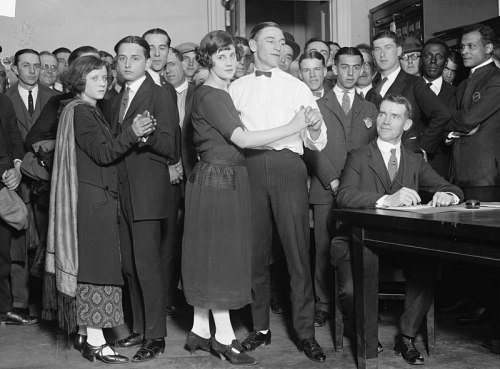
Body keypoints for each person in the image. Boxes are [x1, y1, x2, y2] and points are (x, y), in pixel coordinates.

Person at [182, 29, 313, 366]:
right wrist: (292, 126)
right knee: (222, 257)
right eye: (220, 56)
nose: (229, 62)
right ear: (207, 60)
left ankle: (199, 328)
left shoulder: (216, 91)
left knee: (210, 253)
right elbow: (241, 137)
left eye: (231, 55)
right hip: (220, 178)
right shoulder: (213, 94)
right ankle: (223, 337)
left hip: (221, 176)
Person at [332, 94, 463, 365]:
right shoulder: (358, 155)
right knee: (349, 289)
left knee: (426, 264)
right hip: (357, 241)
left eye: (395, 116)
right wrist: (386, 200)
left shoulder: (415, 160)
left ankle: (406, 336)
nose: (386, 121)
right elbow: (344, 195)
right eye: (382, 114)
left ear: (407, 124)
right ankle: (365, 333)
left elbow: (451, 188)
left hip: (399, 243)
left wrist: (447, 197)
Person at [46, 55, 155, 364]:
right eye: (95, 77)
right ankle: (95, 341)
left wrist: (133, 135)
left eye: (105, 76)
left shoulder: (84, 111)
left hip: (94, 199)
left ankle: (85, 333)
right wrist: (132, 133)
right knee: (99, 272)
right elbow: (105, 154)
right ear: (80, 81)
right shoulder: (81, 113)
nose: (104, 81)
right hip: (94, 204)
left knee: (93, 270)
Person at [230, 21, 327, 363]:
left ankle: (305, 332)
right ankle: (260, 327)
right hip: (250, 168)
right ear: (253, 46)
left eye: (280, 41)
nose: (276, 45)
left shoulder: (298, 86)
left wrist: (314, 127)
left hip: (288, 166)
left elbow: (318, 140)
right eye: (268, 40)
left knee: (297, 251)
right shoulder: (235, 88)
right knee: (255, 252)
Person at [108, 35, 179, 363]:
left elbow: (171, 146)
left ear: (148, 59)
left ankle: (156, 335)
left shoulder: (160, 92)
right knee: (128, 265)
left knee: (148, 265)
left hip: (148, 191)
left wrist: (144, 135)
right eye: (122, 58)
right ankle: (138, 325)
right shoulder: (114, 94)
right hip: (119, 190)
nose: (127, 64)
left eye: (134, 58)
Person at [303, 47, 378, 328]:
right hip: (325, 189)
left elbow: (372, 151)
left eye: (355, 67)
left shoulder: (370, 109)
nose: (349, 73)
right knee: (323, 246)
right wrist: (332, 179)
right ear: (334, 69)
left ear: (362, 70)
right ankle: (323, 304)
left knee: (357, 247)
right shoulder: (317, 106)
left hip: (359, 193)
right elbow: (310, 148)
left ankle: (357, 303)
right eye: (344, 67)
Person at [366, 30, 451, 159]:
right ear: (373, 54)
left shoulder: (414, 83)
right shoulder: (371, 92)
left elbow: (442, 114)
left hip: (406, 159)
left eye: (387, 48)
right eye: (377, 50)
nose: (382, 54)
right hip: (377, 161)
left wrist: (422, 147)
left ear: (399, 51)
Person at [0, 93, 28, 325]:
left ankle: (4, 309)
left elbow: (13, 138)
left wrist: (17, 168)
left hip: (4, 187)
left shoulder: (3, 101)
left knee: (3, 253)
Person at [421, 37, 457, 179]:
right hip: (410, 171)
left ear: (446, 61)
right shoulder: (408, 88)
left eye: (439, 57)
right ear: (421, 59)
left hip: (443, 173)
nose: (433, 61)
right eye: (428, 56)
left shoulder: (456, 92)